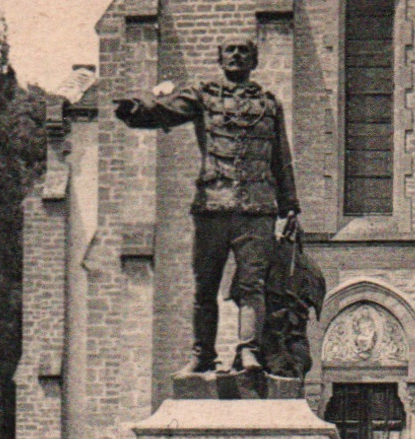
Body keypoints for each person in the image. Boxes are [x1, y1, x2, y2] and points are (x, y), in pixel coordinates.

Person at [114, 36, 301, 375]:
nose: (236, 55)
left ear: (254, 61)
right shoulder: (203, 96)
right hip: (212, 207)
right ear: (220, 58)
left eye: (244, 51)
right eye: (230, 50)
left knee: (252, 286)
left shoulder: (269, 105)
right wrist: (137, 109)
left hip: (257, 210)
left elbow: (281, 157)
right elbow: (166, 109)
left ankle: (248, 352)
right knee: (205, 286)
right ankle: (202, 354)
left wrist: (291, 206)